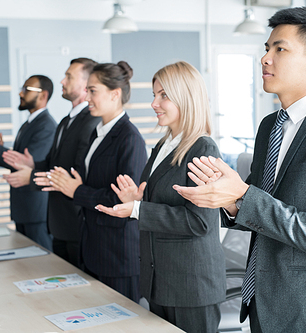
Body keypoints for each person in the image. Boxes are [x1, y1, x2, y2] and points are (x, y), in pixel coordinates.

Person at [173, 7, 306, 333]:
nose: (265, 58)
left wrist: (243, 194)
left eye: (279, 49)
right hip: (262, 302)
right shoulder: (271, 126)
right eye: (267, 48)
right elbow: (258, 205)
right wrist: (227, 200)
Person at [96, 61, 226, 333]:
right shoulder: (163, 146)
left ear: (186, 98)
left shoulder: (203, 147)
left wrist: (138, 210)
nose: (154, 103)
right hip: (162, 282)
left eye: (164, 95)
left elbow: (199, 222)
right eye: (154, 95)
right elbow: (159, 206)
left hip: (191, 287)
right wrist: (136, 200)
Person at [33, 61, 147, 302]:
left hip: (117, 255)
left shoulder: (129, 138)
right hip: (94, 247)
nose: (87, 95)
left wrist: (77, 191)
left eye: (93, 90)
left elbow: (120, 200)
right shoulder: (98, 133)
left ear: (115, 94)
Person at [0, 58, 101, 267]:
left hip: (75, 221)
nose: (62, 81)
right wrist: (34, 165)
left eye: (69, 77)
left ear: (85, 85)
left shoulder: (91, 121)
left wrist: (31, 177)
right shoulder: (65, 121)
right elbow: (54, 162)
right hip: (58, 223)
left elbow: (77, 172)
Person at [0, 75, 57, 250]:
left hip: (36, 210)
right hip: (24, 208)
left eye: (27, 89)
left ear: (43, 96)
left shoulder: (47, 126)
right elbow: (22, 160)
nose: (21, 93)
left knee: (42, 263)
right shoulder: (29, 124)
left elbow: (29, 163)